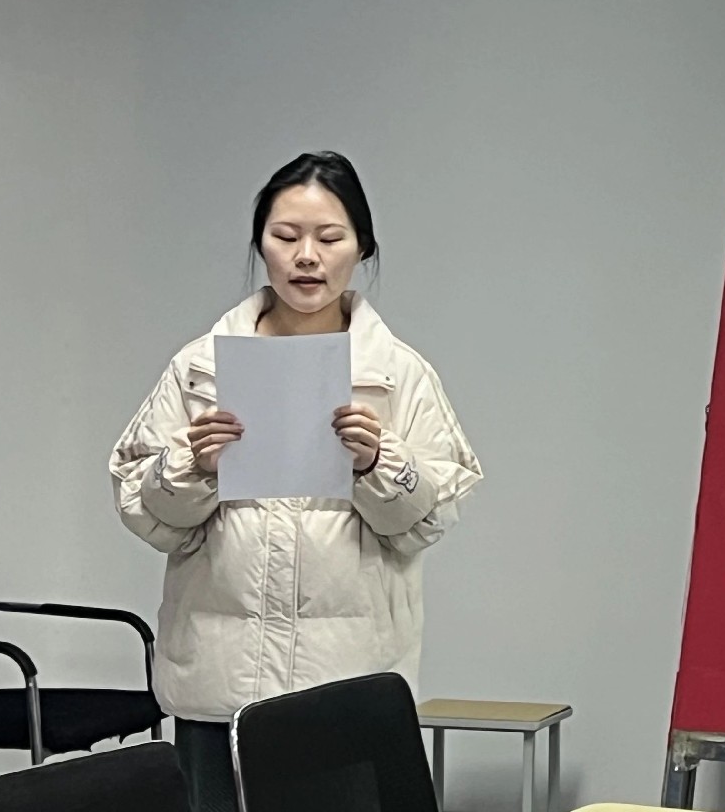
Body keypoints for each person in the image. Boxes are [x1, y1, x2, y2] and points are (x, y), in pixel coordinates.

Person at [111, 151, 481, 812]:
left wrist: (377, 465)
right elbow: (146, 513)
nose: (306, 256)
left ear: (362, 247)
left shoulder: (399, 376)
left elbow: (429, 521)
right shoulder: (199, 369)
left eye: (329, 238)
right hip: (217, 696)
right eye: (285, 237)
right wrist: (192, 466)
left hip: (344, 697)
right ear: (261, 245)